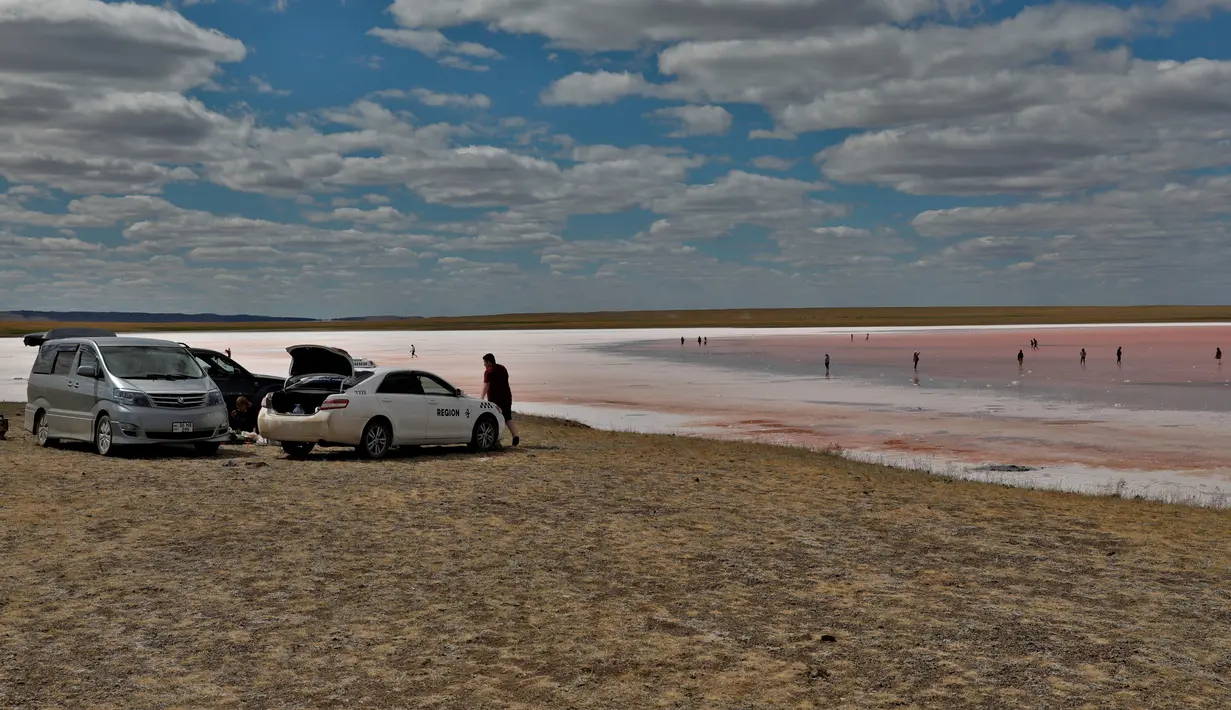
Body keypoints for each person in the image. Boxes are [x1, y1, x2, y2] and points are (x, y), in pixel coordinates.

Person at [482, 353, 519, 447]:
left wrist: (481, 398)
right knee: (507, 417)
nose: (484, 364)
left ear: (489, 361)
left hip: (495, 400)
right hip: (507, 397)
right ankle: (515, 435)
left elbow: (486, 385)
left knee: (496, 419)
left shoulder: (488, 372)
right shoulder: (502, 368)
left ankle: (497, 441)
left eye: (485, 362)